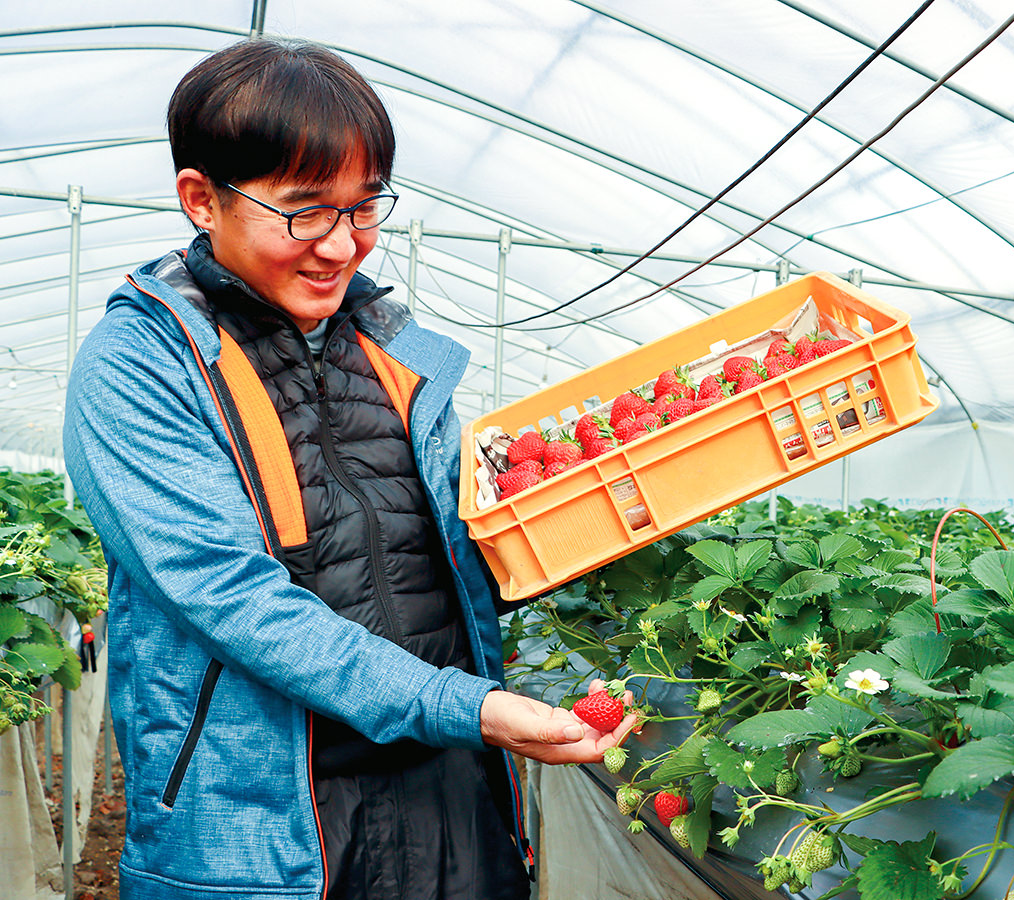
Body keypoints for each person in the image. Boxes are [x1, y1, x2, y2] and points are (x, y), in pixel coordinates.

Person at [62, 37, 634, 900]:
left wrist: (603, 515)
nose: (341, 246)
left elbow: (450, 564)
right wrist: (469, 707)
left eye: (365, 209)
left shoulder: (396, 355)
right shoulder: (140, 367)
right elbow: (231, 596)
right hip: (269, 829)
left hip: (451, 799)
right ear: (201, 200)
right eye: (305, 211)